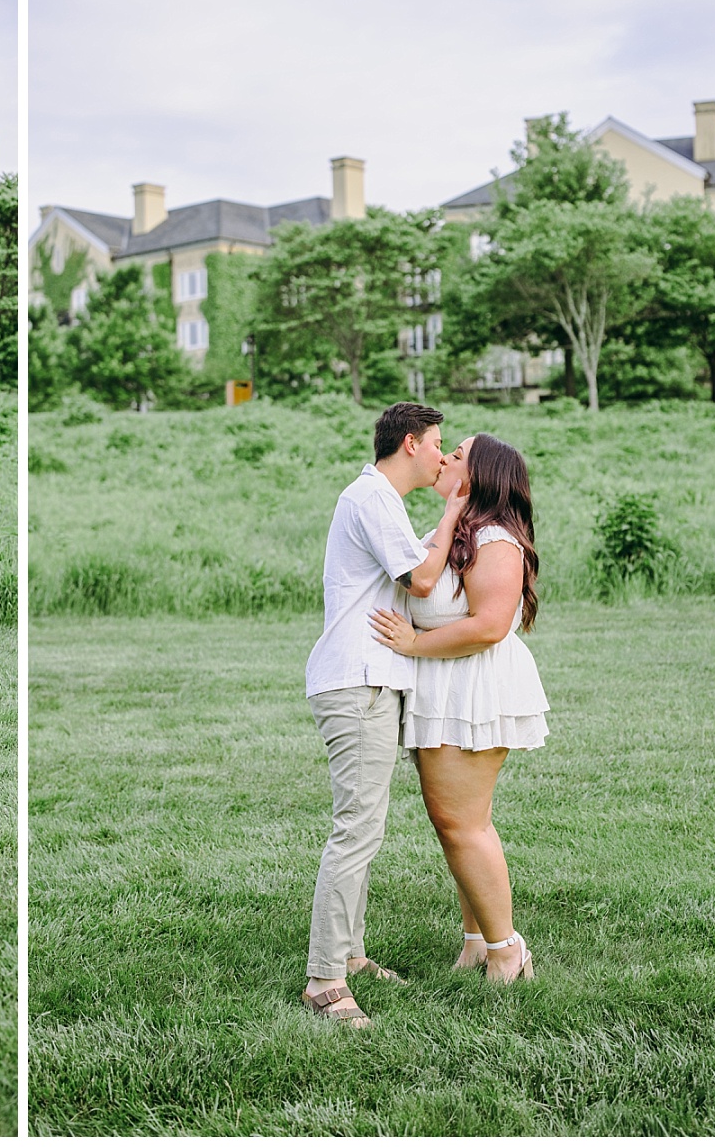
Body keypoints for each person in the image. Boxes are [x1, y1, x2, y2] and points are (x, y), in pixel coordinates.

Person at [300, 402, 467, 1028]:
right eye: (437, 444)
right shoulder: (371, 498)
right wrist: (453, 507)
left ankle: (351, 951)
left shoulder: (380, 503)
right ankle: (324, 979)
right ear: (408, 443)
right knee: (357, 829)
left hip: (371, 683)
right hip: (357, 684)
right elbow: (422, 580)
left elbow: (416, 567)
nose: (442, 455)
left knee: (365, 826)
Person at [369, 433, 548, 984]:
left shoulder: (494, 537)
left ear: (481, 476)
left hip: (473, 683)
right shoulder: (458, 529)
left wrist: (415, 645)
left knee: (461, 822)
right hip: (444, 684)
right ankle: (477, 942)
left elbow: (492, 625)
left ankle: (506, 950)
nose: (444, 458)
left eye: (458, 454)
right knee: (458, 822)